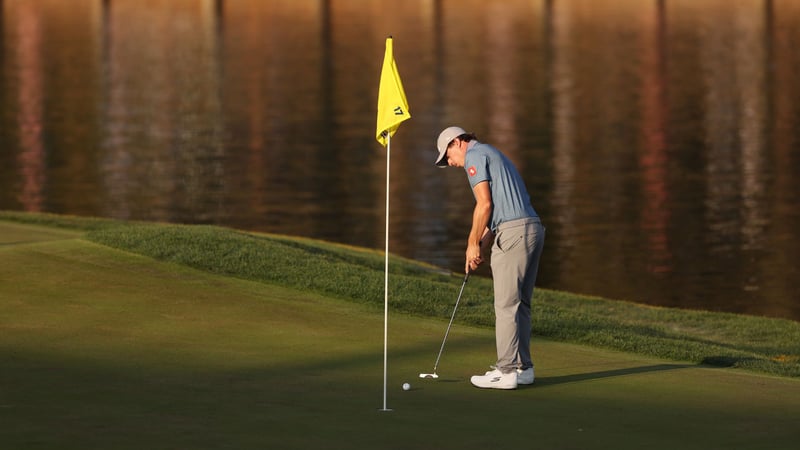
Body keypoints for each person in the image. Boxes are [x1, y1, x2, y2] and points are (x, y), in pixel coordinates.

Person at [434, 126, 545, 390]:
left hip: (514, 233)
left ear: (458, 142)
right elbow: (498, 211)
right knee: (521, 304)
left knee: (506, 306)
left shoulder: (473, 156)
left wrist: (472, 243)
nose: (450, 163)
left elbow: (484, 205)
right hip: (533, 229)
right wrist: (480, 245)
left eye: (447, 156)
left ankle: (506, 371)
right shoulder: (492, 153)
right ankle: (523, 368)